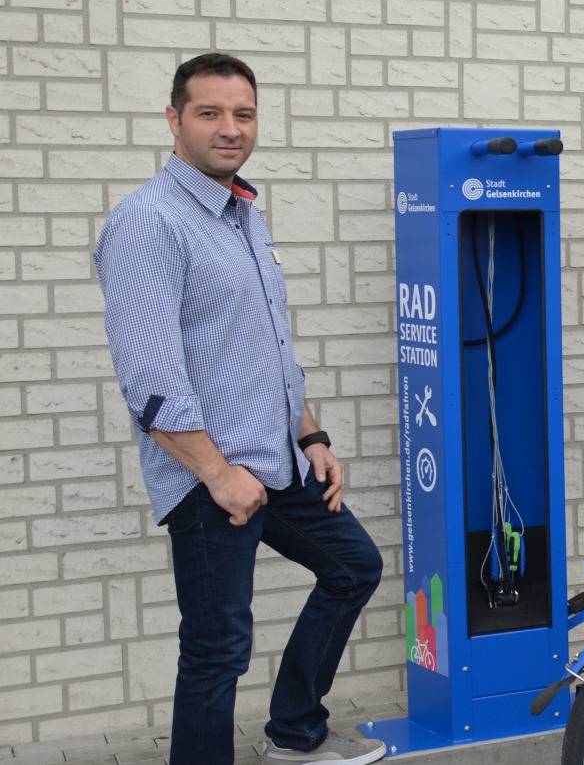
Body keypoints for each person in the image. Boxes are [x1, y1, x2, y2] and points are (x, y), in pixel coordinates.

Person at [95, 53, 385, 765]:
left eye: (243, 114)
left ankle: (294, 733)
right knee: (217, 649)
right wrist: (218, 475)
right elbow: (151, 379)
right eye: (210, 113)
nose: (230, 128)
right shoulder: (147, 221)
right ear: (174, 119)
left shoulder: (242, 214)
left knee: (355, 567)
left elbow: (268, 349)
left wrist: (310, 432)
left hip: (277, 462)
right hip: (211, 483)